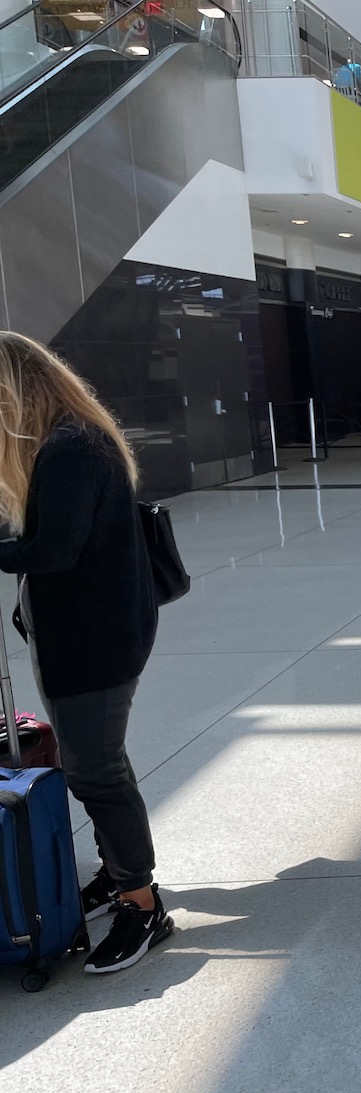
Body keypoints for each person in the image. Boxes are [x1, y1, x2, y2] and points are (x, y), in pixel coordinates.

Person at [0, 333, 169, 974]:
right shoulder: (69, 440)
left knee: (96, 770)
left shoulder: (71, 448)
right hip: (92, 631)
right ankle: (120, 872)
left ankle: (141, 901)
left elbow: (53, 552)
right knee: (91, 761)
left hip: (94, 639)